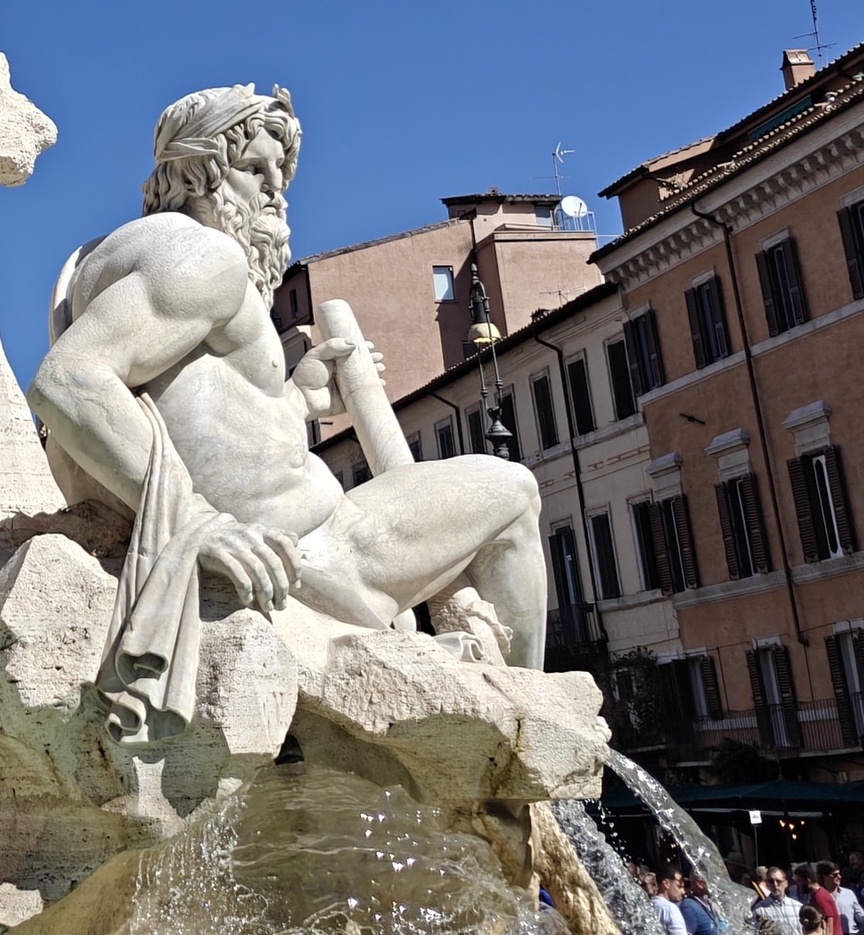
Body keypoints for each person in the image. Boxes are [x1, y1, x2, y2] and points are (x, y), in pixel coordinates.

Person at [28, 85, 549, 733]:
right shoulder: (202, 256)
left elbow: (203, 415)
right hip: (322, 550)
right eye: (255, 170)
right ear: (199, 173)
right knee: (514, 491)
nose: (276, 191)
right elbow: (70, 382)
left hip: (302, 535)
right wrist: (200, 521)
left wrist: (301, 392)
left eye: (282, 175)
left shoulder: (125, 254)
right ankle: (534, 722)